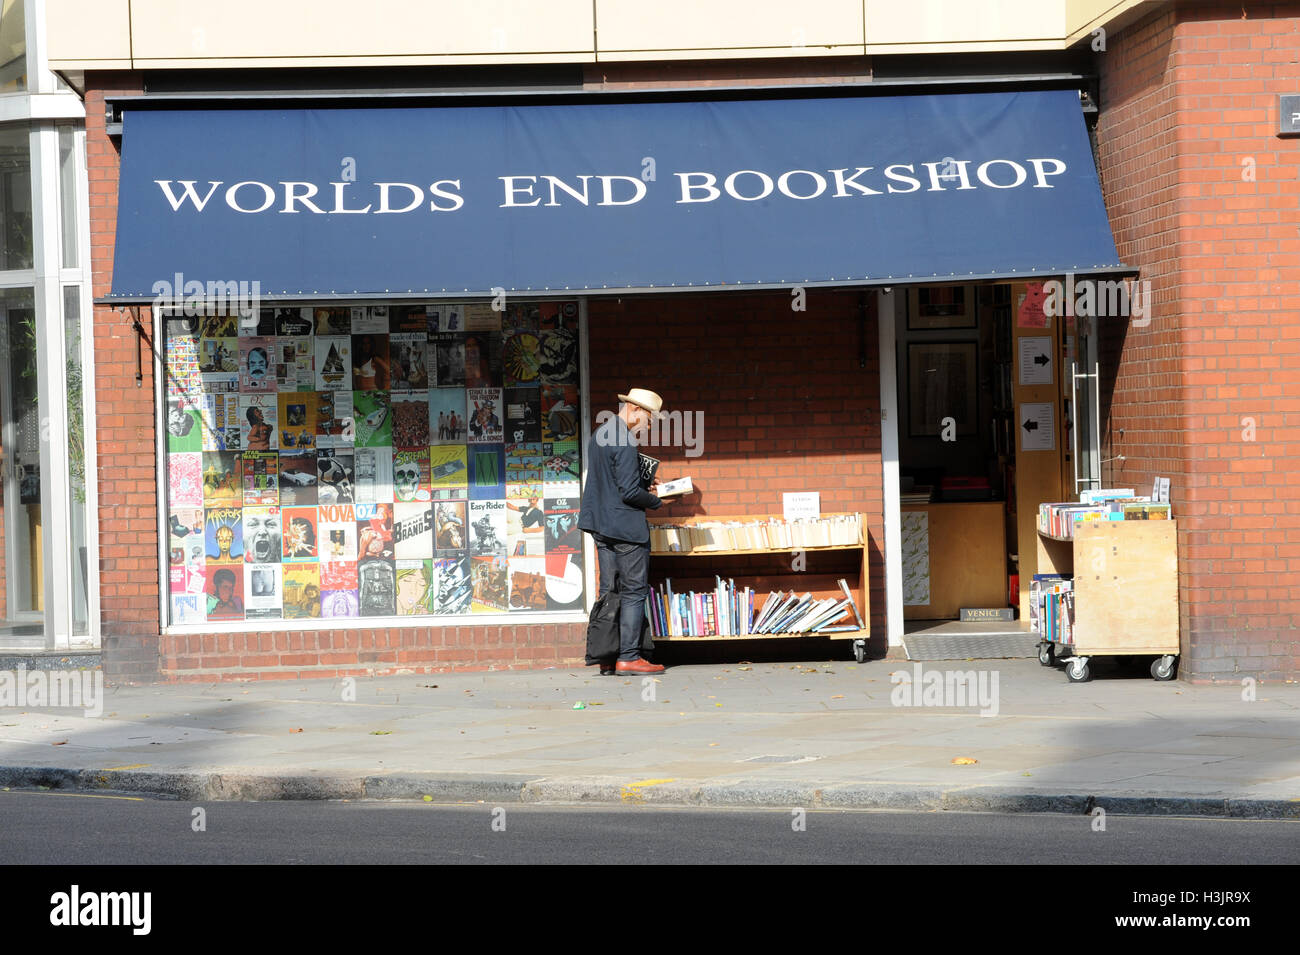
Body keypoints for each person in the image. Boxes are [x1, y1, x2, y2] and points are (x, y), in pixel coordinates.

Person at [577, 388, 684, 675]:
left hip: (600, 525)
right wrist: (659, 499)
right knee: (634, 591)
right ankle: (629, 656)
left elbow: (610, 482)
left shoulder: (601, 433)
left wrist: (640, 480)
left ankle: (606, 656)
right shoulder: (624, 439)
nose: (649, 425)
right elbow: (628, 493)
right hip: (625, 529)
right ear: (636, 410)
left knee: (609, 589)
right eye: (649, 419)